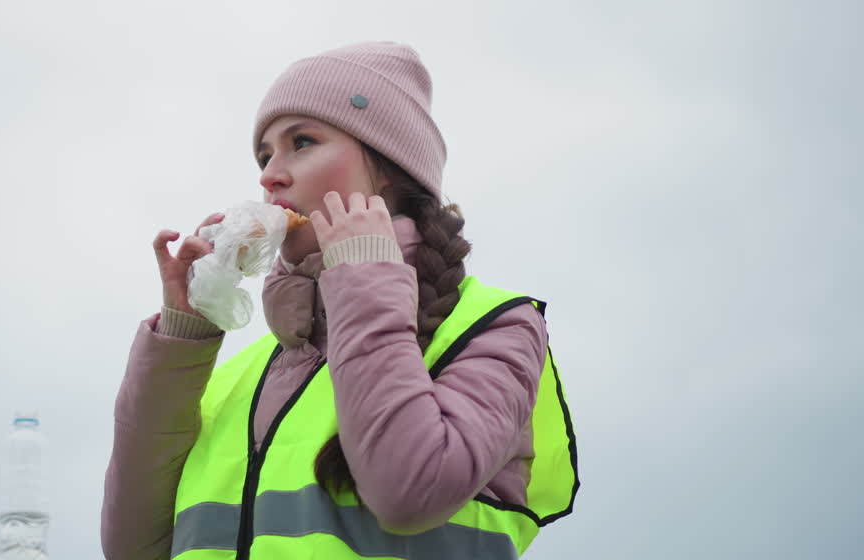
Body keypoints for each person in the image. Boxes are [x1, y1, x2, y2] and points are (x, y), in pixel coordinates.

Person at [102, 42, 579, 559]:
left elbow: (408, 493)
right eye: (264, 156)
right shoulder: (246, 372)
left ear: (390, 167)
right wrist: (184, 338)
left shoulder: (492, 325)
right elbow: (133, 549)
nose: (269, 176)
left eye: (301, 142)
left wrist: (365, 275)